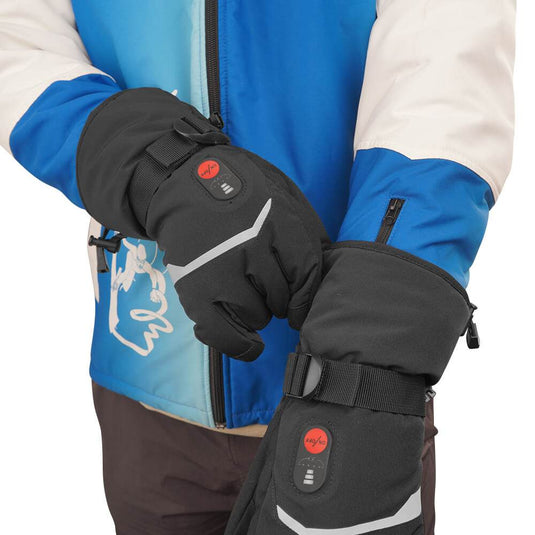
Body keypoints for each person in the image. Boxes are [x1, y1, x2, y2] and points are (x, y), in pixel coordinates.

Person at [0, 1, 516, 534]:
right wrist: (151, 163)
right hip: (146, 369)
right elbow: (16, 35)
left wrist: (370, 358)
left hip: (345, 388)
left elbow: (445, 84)